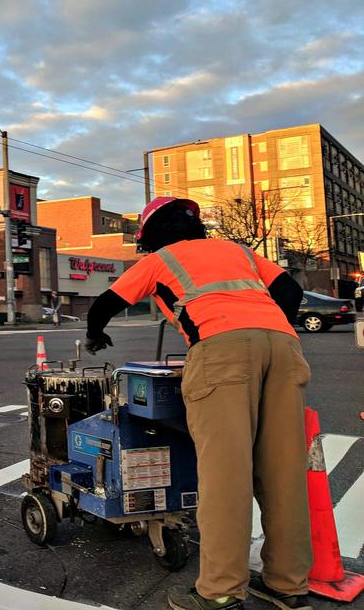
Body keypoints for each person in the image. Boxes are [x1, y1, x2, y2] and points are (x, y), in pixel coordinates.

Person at [84, 197, 312, 610]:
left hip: (221, 352)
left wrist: (95, 335)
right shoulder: (239, 251)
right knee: (284, 471)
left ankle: (221, 591)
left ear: (151, 235)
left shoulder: (161, 260)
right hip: (283, 346)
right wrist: (264, 325)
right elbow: (291, 289)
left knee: (226, 475)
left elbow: (106, 303)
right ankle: (288, 585)